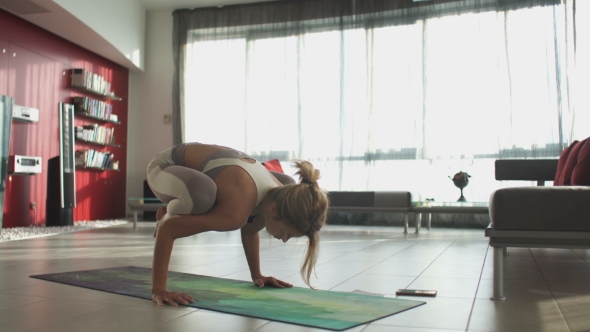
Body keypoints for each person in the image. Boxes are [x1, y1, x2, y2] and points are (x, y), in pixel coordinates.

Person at [146, 142, 329, 306]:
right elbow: (167, 231)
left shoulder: (277, 195)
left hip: (198, 174)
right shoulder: (236, 212)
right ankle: (171, 212)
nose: (284, 240)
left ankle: (177, 210)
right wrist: (159, 289)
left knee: (283, 183)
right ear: (274, 211)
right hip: (164, 167)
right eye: (287, 234)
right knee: (202, 197)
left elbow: (250, 231)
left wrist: (257, 275)